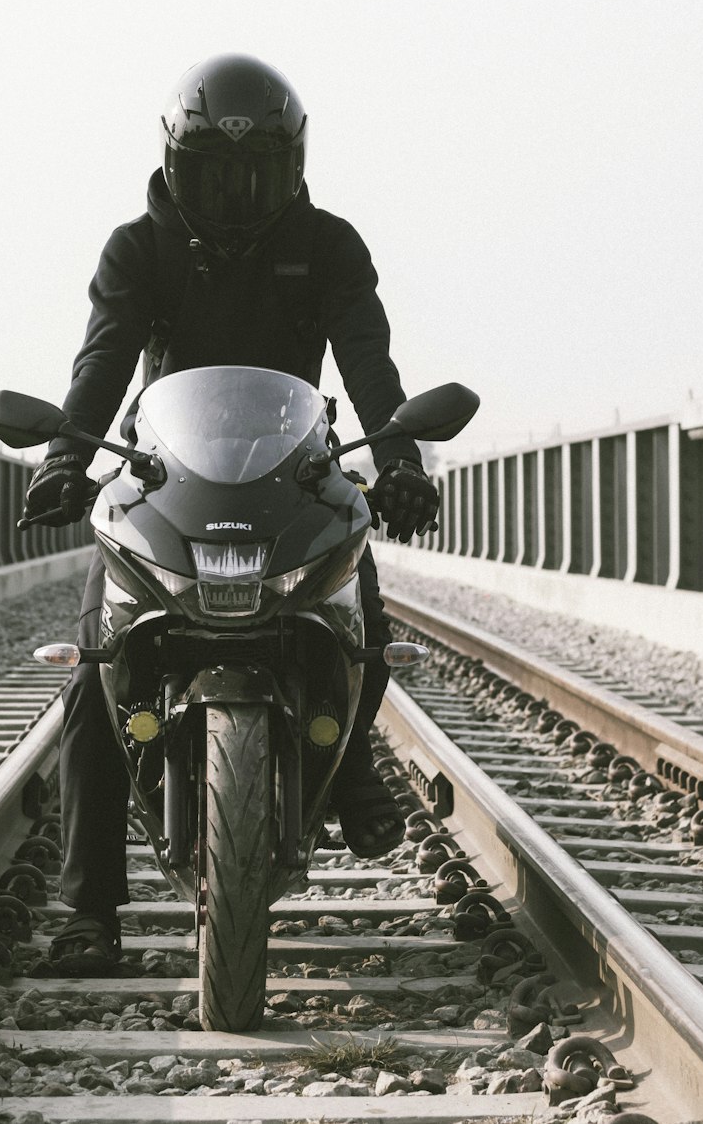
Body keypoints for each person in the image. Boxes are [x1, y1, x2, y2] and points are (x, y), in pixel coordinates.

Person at [23, 53, 440, 973]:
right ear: (179, 165)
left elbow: (368, 363)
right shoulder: (139, 248)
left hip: (296, 466)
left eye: (256, 172)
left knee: (362, 613)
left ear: (292, 167)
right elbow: (102, 361)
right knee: (96, 662)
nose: (238, 190)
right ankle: (90, 913)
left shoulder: (330, 245)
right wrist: (64, 459)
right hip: (166, 475)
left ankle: (352, 749)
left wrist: (401, 461)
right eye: (216, 171)